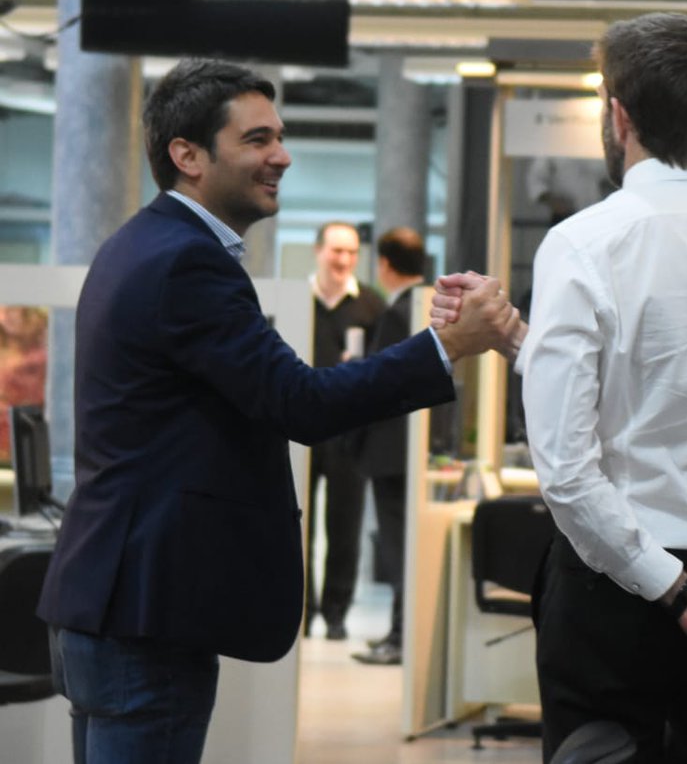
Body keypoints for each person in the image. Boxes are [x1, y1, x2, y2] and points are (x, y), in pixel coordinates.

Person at [36, 58, 518, 764]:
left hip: (117, 599)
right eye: (258, 139)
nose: (281, 156)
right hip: (145, 612)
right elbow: (301, 402)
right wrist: (446, 346)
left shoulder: (143, 243)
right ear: (188, 155)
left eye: (280, 136)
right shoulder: (186, 262)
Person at [437, 12, 687, 763]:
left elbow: (570, 471)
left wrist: (670, 589)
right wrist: (526, 344)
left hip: (621, 588)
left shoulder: (586, 242)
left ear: (618, 114)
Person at [350, 226, 427, 666]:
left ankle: (400, 636)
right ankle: (401, 633)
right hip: (410, 453)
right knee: (404, 549)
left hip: (391, 454)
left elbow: (379, 384)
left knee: (399, 551)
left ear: (383, 264)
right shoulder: (428, 303)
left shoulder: (398, 313)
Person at [305, 220, 385, 640]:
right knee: (296, 524)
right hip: (297, 429)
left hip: (350, 434)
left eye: (351, 252)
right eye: (336, 251)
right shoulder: (297, 299)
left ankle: (336, 613)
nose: (343, 260)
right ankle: (302, 612)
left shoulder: (371, 305)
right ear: (318, 251)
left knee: (345, 526)